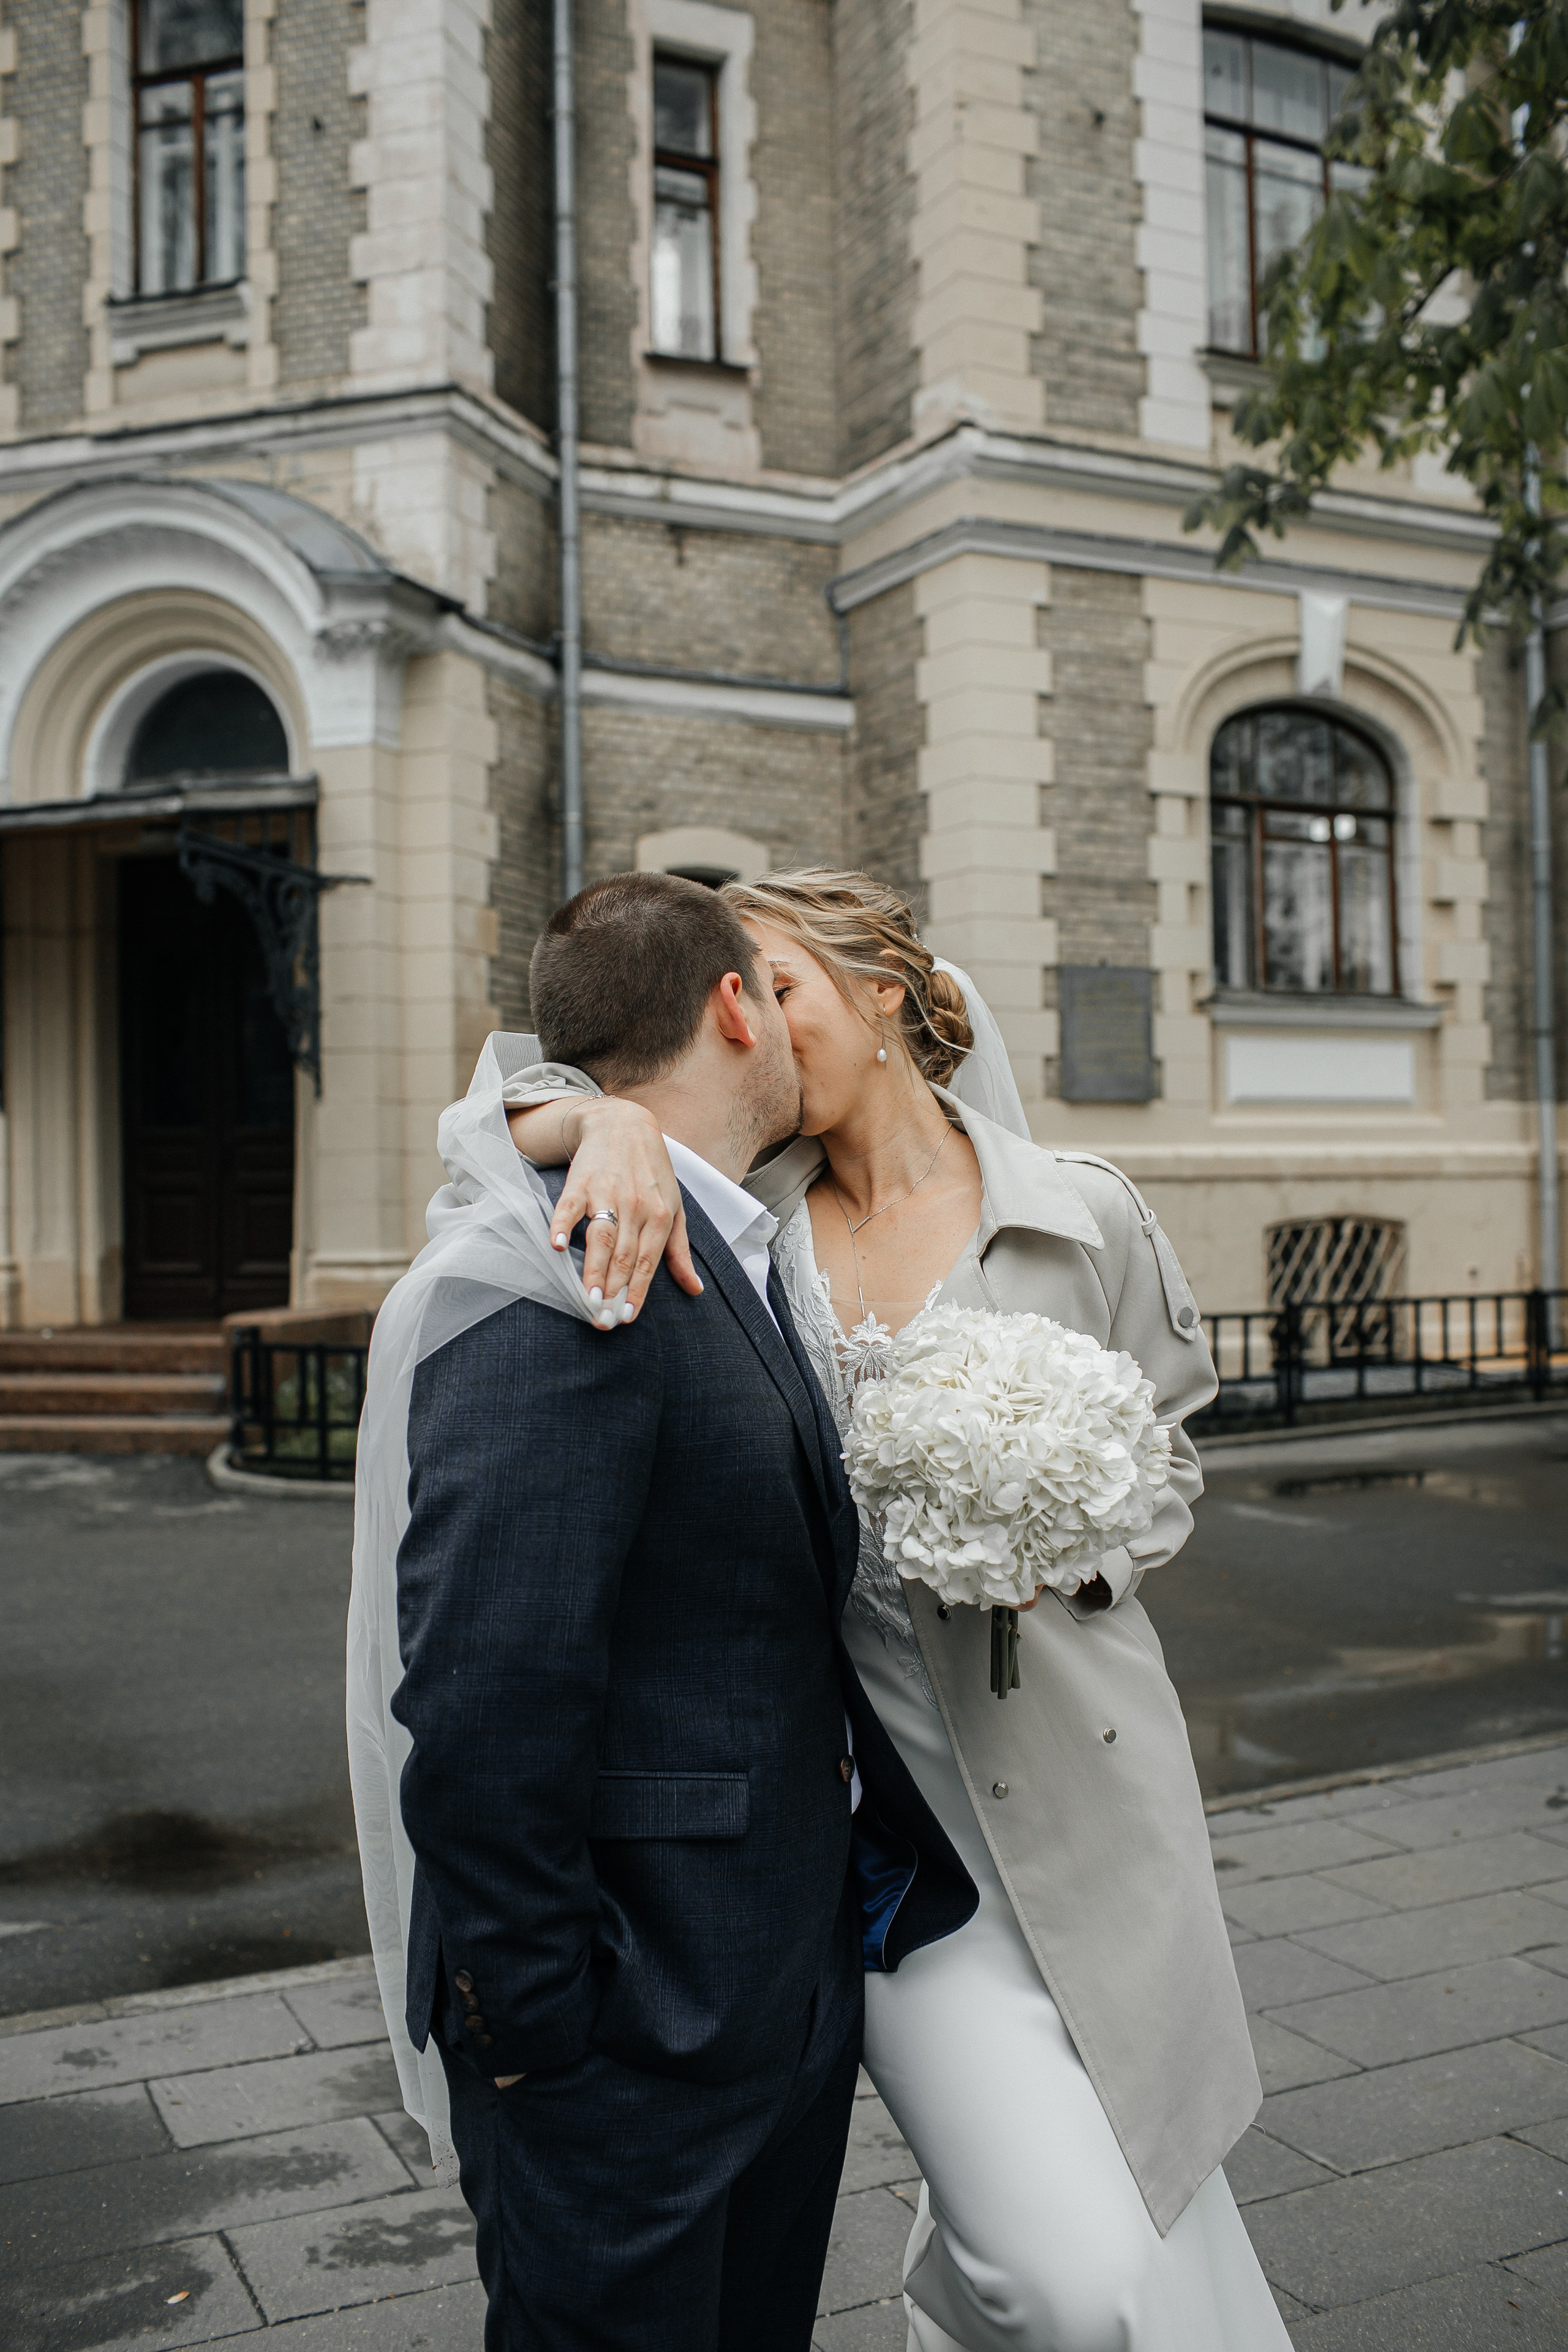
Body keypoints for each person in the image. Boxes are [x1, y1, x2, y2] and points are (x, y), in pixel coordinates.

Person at [504, 867, 1290, 2352]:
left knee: (1143, 2184)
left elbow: (1167, 1449)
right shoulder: (738, 1215)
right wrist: (599, 1117)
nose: (752, 1024)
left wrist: (1074, 1546)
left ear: (880, 995)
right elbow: (481, 1139)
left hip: (1078, 1787)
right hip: (881, 1852)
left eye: (782, 986)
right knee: (1071, 2272)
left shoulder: (1086, 1217)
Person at [345, 872, 976, 2352]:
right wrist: (541, 2034)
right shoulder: (571, 1265)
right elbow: (481, 1700)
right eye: (770, 982)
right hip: (627, 2042)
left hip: (765, 1998)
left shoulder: (715, 1229)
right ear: (731, 1007)